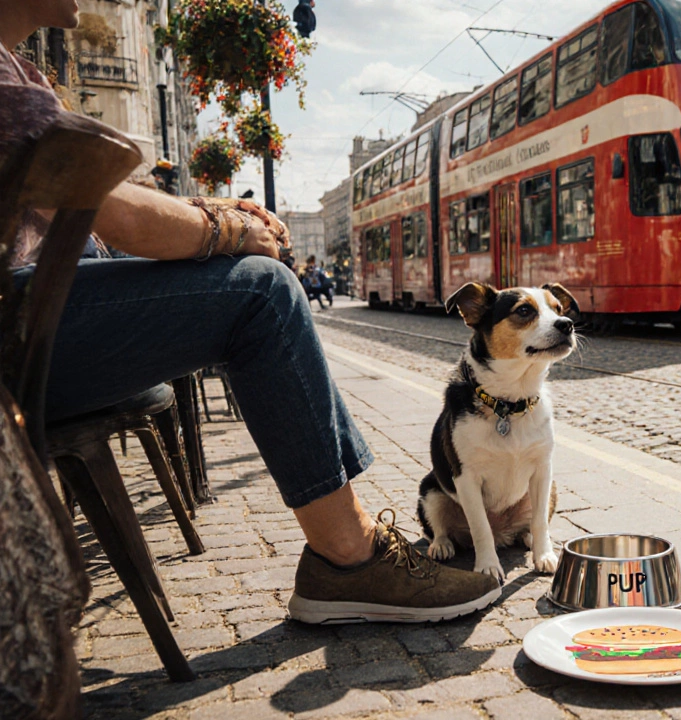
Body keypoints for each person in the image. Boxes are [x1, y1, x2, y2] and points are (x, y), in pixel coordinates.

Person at [1, 0, 499, 624]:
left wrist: (209, 211)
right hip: (17, 331)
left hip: (35, 316)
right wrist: (227, 229)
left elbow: (118, 207)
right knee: (263, 292)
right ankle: (347, 557)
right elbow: (119, 218)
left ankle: (351, 543)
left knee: (255, 283)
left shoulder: (17, 72)